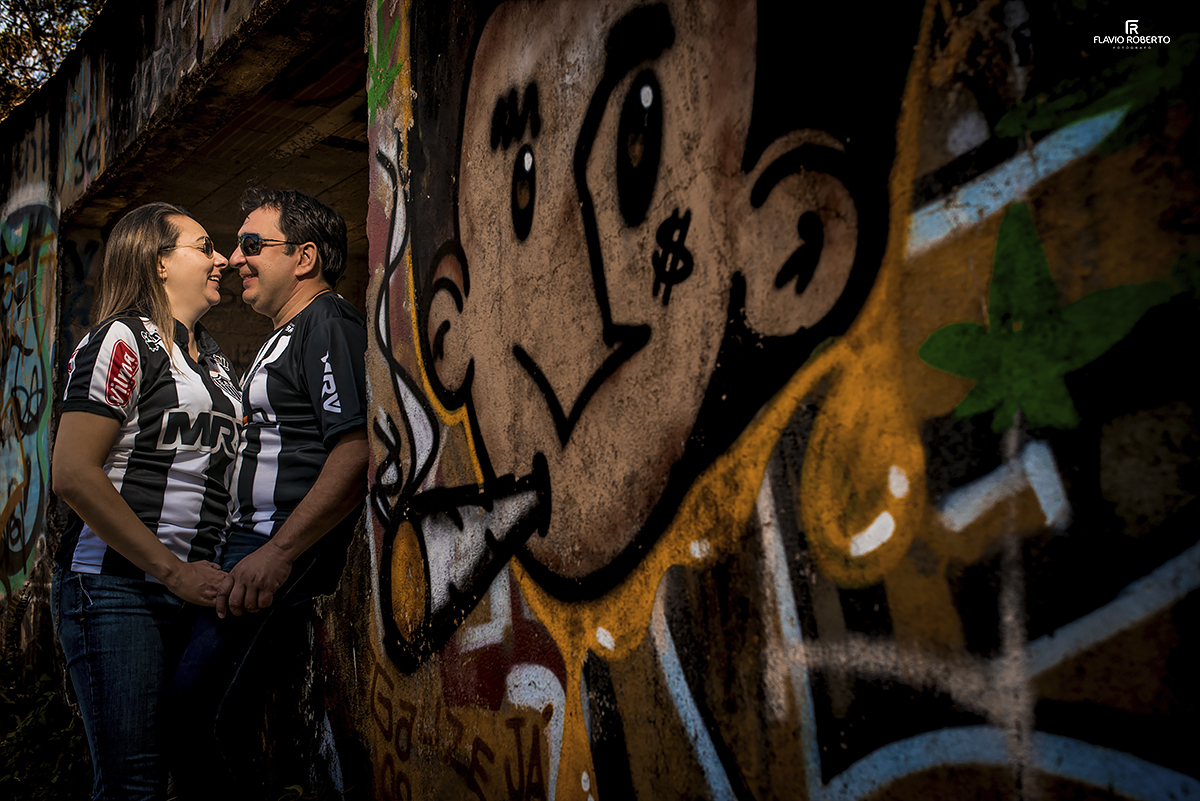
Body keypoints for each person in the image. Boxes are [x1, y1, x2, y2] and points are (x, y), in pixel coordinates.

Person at [171, 188, 368, 798]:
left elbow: (355, 451)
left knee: (190, 716)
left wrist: (278, 554)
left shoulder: (327, 323)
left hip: (275, 550)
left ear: (305, 257)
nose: (234, 258)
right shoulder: (283, 334)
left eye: (253, 245)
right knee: (220, 720)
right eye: (235, 246)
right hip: (245, 546)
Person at [51, 201, 241, 799]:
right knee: (134, 783)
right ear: (159, 262)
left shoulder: (215, 359)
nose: (221, 261)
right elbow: (74, 474)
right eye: (203, 247)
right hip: (115, 588)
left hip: (193, 590)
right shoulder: (121, 339)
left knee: (193, 768)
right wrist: (172, 572)